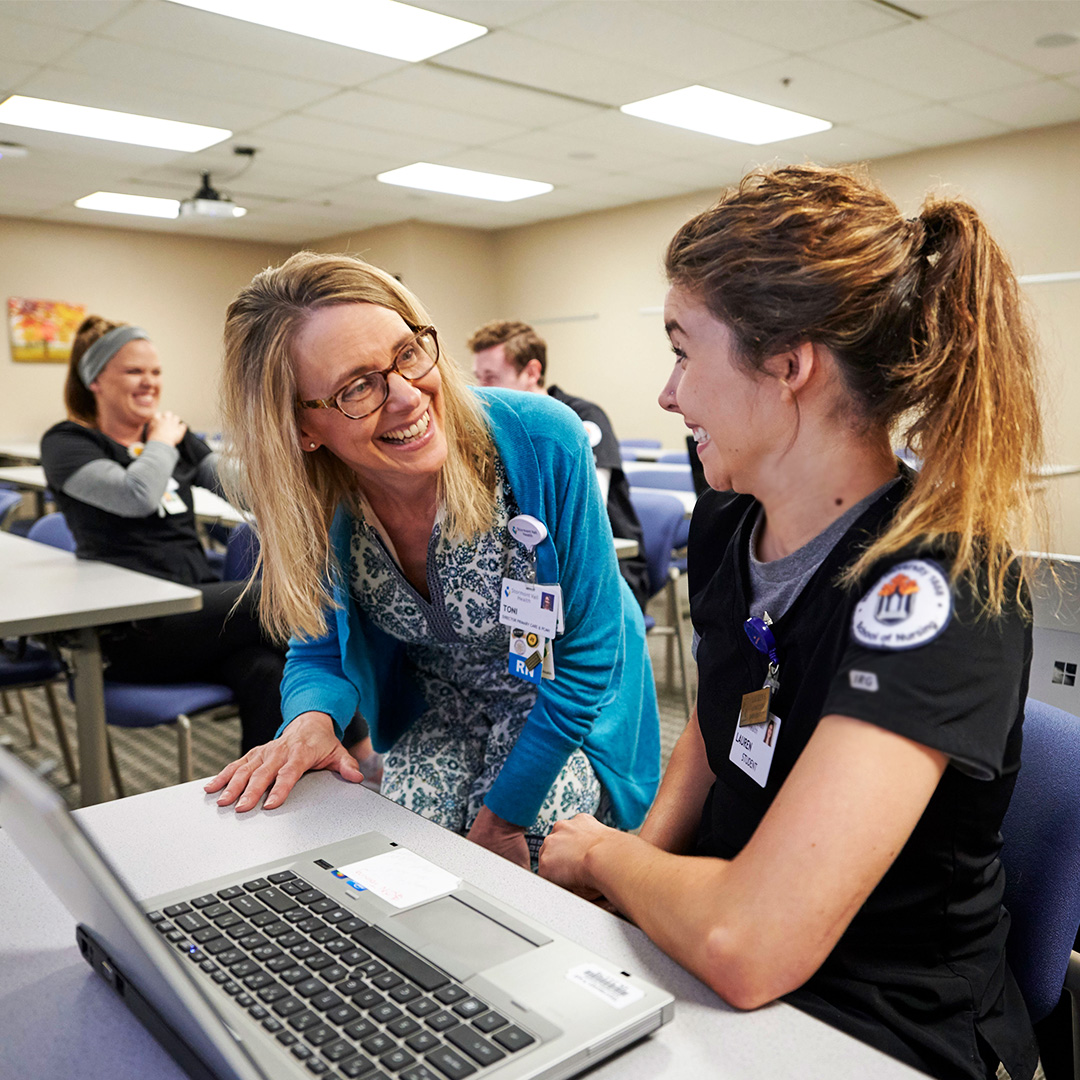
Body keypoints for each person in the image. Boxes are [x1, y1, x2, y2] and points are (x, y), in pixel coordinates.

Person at [538, 164, 1043, 1080]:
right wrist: (630, 876)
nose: (666, 394)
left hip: (875, 1022)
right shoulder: (729, 518)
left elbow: (752, 941)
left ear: (788, 365)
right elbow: (720, 711)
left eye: (683, 350)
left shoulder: (938, 594)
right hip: (705, 947)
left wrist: (608, 856)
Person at [205, 253, 660, 871]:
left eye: (408, 352)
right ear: (302, 427)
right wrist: (310, 720)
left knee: (530, 854)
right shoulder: (314, 498)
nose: (406, 395)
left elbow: (588, 657)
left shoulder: (539, 439)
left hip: (570, 713)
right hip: (447, 710)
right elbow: (317, 649)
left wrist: (504, 818)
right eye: (357, 387)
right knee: (398, 856)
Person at [40, 316, 286, 753]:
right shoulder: (68, 442)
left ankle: (263, 791)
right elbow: (135, 494)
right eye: (134, 371)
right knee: (282, 599)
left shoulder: (172, 437)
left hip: (198, 617)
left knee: (267, 671)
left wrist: (290, 479)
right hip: (131, 629)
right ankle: (365, 747)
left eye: (155, 372)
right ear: (94, 379)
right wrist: (161, 442)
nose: (149, 383)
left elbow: (234, 485)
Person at [469, 320, 649, 609]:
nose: (480, 391)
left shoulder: (580, 417)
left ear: (532, 372)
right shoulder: (499, 427)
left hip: (606, 567)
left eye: (490, 378)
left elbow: (588, 509)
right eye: (478, 378)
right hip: (533, 564)